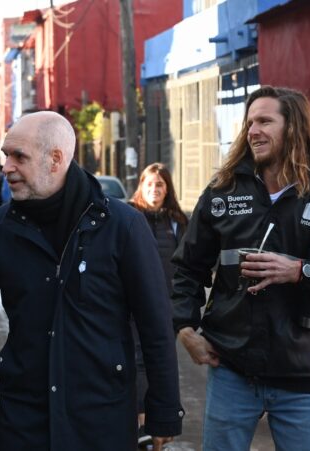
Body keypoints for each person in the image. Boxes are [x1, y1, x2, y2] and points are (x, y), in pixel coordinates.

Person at [0, 111, 184, 450]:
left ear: (56, 159)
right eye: (6, 155)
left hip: (100, 415)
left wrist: (164, 411)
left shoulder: (123, 226)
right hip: (24, 416)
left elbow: (155, 326)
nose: (6, 167)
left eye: (19, 157)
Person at [172, 86, 310, 451]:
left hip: (302, 372)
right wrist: (184, 328)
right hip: (231, 368)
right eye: (249, 122)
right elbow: (187, 268)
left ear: (293, 128)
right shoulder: (223, 192)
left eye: (265, 121)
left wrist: (301, 271)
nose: (253, 131)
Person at [129, 162, 188, 448]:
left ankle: (159, 430)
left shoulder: (177, 221)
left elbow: (187, 266)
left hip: (166, 308)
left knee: (162, 362)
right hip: (132, 307)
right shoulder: (129, 216)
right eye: (150, 184)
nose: (155, 189)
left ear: (168, 189)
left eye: (160, 184)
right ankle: (141, 425)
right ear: (141, 186)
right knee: (138, 360)